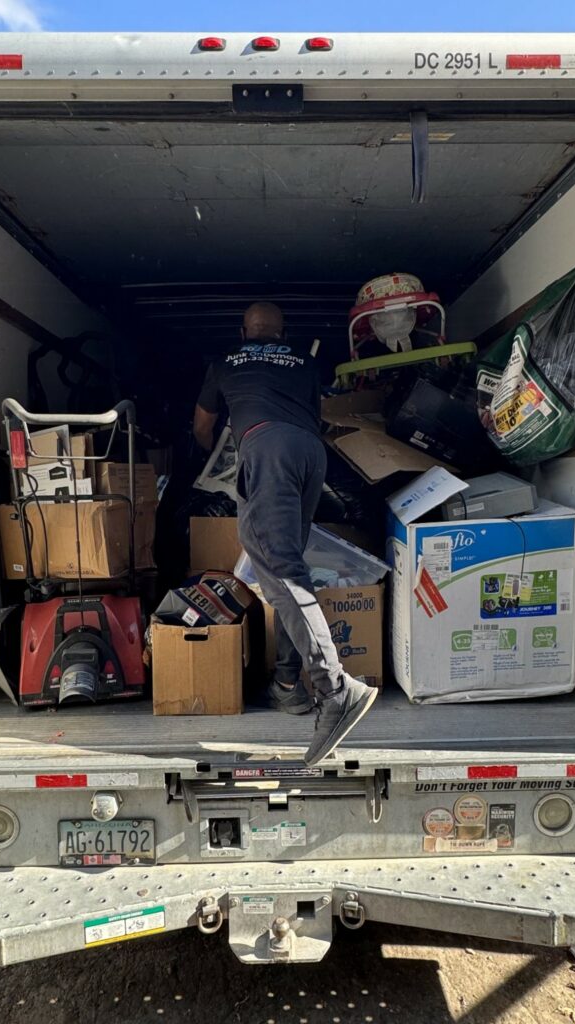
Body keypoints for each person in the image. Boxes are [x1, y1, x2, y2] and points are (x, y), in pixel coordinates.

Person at [193, 302, 377, 765]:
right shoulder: (305, 362)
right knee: (290, 569)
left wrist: (225, 451)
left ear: (244, 331)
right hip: (308, 454)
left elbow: (201, 428)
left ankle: (336, 689)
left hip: (266, 449)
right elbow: (311, 414)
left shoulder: (224, 363)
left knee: (279, 570)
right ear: (282, 332)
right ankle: (288, 684)